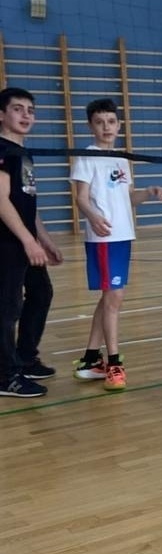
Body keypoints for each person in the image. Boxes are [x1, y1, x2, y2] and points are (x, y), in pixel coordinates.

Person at [70, 98, 162, 391]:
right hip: (104, 237)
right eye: (99, 122)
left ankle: (90, 360)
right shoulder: (86, 156)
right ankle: (113, 364)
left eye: (111, 122)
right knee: (114, 299)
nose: (106, 127)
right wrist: (93, 217)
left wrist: (148, 192)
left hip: (123, 235)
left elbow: (128, 197)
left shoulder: (122, 159)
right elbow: (81, 198)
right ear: (91, 126)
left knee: (109, 298)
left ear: (119, 125)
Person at [0, 87, 62, 398]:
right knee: (7, 307)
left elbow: (27, 202)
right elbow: (1, 200)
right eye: (18, 109)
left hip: (24, 241)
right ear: (1, 115)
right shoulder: (2, 150)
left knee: (41, 292)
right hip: (6, 242)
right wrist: (28, 241)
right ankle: (5, 377)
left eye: (31, 110)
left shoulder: (23, 153)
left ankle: (25, 358)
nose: (26, 115)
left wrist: (44, 240)